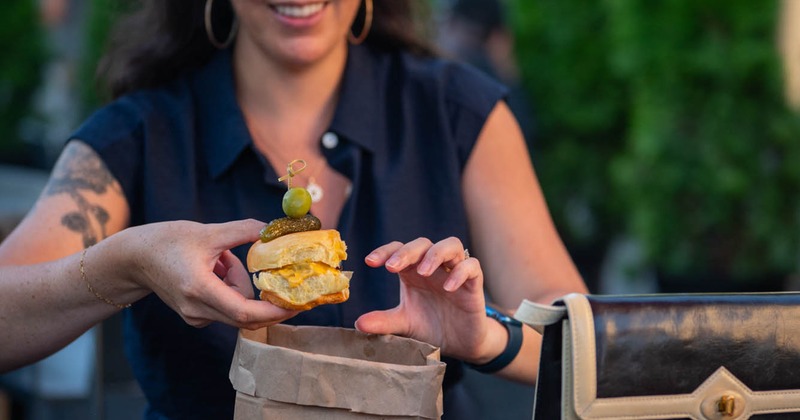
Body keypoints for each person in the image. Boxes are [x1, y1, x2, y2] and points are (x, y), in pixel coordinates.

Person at [0, 0, 587, 418]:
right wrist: (123, 264)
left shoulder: (457, 112)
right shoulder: (137, 135)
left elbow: (589, 342)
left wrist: (484, 335)